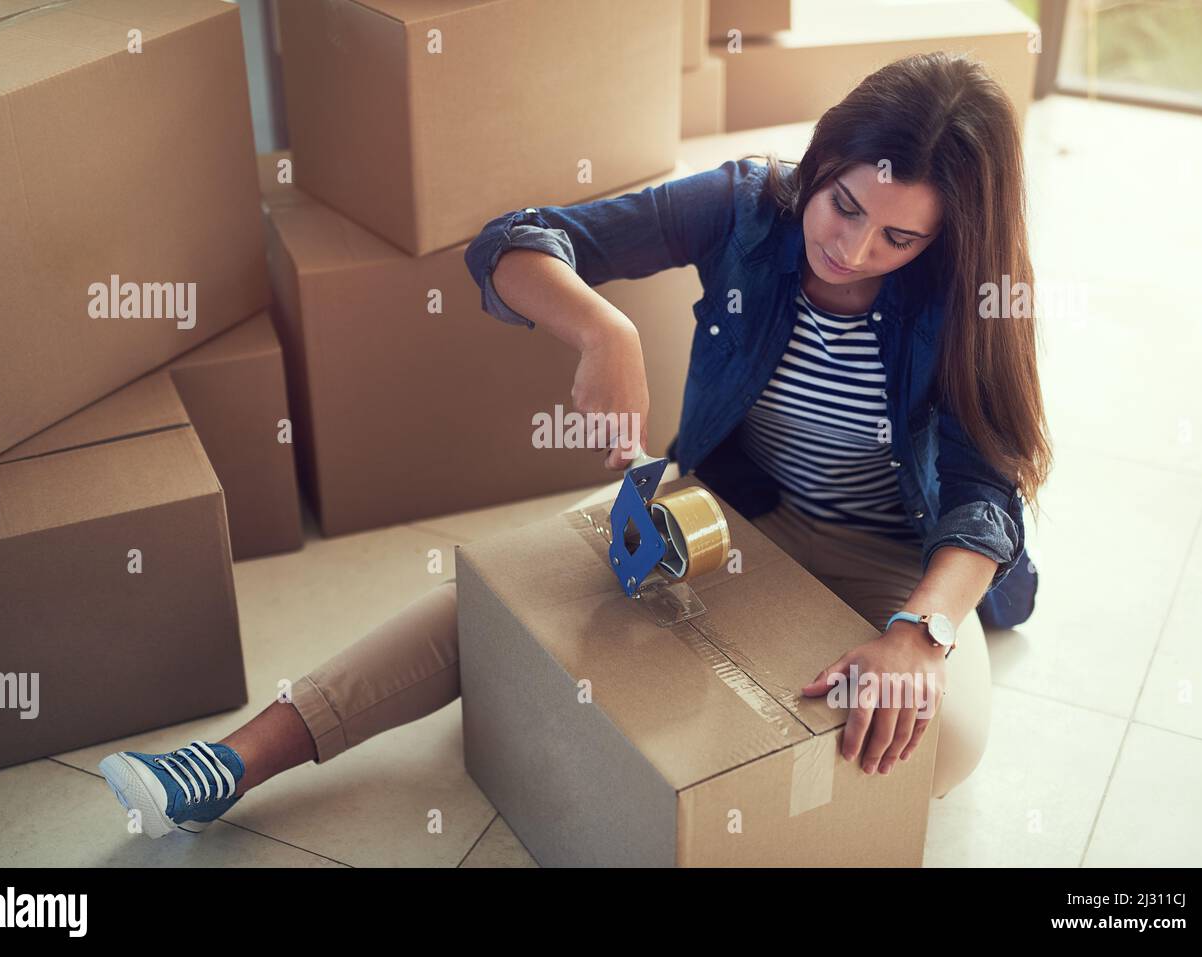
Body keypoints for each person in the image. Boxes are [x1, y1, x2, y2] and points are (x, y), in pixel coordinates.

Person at [98, 51, 1051, 841]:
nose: (851, 249)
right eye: (842, 205)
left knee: (943, 738)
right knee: (511, 590)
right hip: (740, 507)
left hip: (896, 554)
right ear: (823, 158)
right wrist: (605, 331)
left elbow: (982, 491)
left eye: (896, 238)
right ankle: (233, 759)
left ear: (941, 241)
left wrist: (920, 632)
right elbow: (516, 241)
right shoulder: (746, 206)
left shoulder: (965, 295)